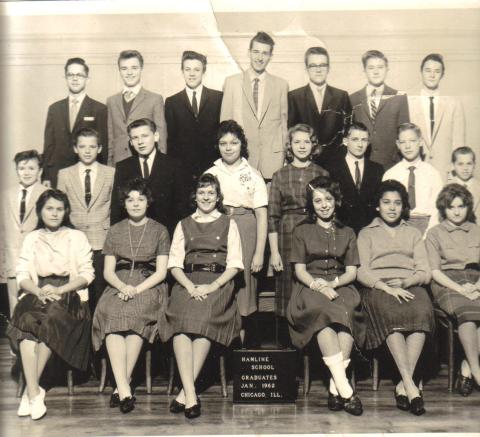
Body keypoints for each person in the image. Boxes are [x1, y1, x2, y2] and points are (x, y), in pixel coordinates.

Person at [159, 173, 243, 419]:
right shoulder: (183, 223)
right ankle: (190, 393)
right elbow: (174, 263)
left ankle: (185, 394)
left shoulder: (229, 223)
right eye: (201, 193)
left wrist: (211, 286)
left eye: (211, 193)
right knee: (182, 323)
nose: (206, 197)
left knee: (204, 321)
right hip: (187, 282)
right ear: (194, 196)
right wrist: (189, 286)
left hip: (217, 284)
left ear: (218, 198)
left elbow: (235, 264)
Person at [7, 189, 94, 420]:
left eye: (59, 209)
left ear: (66, 211)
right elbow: (22, 273)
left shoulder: (77, 237)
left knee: (51, 318)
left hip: (68, 293)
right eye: (49, 209)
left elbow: (87, 274)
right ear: (40, 211)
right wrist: (38, 291)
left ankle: (29, 391)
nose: (54, 213)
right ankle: (36, 393)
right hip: (38, 291)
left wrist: (59, 290)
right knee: (27, 321)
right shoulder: (32, 238)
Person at [92, 178, 170, 414]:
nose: (135, 204)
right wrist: (123, 286)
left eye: (141, 199)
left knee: (136, 317)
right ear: (123, 204)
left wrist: (137, 289)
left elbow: (161, 271)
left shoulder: (160, 230)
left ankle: (120, 386)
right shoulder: (115, 231)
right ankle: (125, 388)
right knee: (113, 315)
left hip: (148, 284)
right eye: (130, 199)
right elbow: (107, 271)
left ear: (148, 202)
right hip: (119, 283)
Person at [287, 176, 363, 416]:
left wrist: (333, 283)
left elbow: (352, 271)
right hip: (310, 287)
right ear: (312, 204)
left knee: (347, 312)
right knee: (323, 313)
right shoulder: (302, 231)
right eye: (317, 200)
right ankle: (345, 389)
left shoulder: (348, 232)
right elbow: (299, 270)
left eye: (328, 199)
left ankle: (334, 386)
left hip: (341, 284)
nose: (323, 204)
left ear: (336, 201)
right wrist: (319, 286)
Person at [357, 180, 434, 416]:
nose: (392, 207)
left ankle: (404, 384)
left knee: (422, 312)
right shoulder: (366, 233)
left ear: (403, 207)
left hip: (408, 284)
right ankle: (411, 387)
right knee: (391, 317)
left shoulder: (413, 233)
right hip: (379, 287)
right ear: (377, 206)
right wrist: (386, 287)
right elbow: (361, 270)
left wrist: (406, 282)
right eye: (386, 202)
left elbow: (425, 272)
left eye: (397, 203)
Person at [205, 120, 267, 345]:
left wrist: (259, 253)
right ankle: (219, 342)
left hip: (246, 227)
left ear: (242, 144)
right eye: (223, 143)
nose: (228, 147)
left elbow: (261, 214)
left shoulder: (252, 173)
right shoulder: (211, 172)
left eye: (234, 142)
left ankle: (239, 348)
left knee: (244, 284)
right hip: (219, 226)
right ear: (217, 146)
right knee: (219, 279)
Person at [268, 124, 329, 325]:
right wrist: (274, 252)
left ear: (313, 145)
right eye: (297, 142)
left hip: (314, 231)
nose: (302, 146)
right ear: (290, 145)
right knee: (287, 283)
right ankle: (288, 343)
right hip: (287, 234)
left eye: (306, 142)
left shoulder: (322, 174)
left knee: (311, 281)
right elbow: (273, 216)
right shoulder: (280, 175)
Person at [425, 183, 480, 396]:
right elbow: (435, 271)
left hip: (476, 280)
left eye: (461, 206)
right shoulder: (434, 233)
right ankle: (477, 371)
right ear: (443, 209)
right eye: (451, 207)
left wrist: (476, 287)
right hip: (447, 282)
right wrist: (461, 288)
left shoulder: (476, 230)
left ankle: (466, 367)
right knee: (467, 313)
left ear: (468, 207)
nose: (457, 211)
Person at [57, 128, 115, 311]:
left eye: (92, 146)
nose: (87, 151)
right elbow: (61, 210)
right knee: (77, 295)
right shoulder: (65, 174)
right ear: (75, 148)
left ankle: (99, 337)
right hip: (75, 242)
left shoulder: (111, 173)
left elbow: (114, 208)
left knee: (99, 292)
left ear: (99, 148)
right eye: (82, 146)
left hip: (102, 241)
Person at [220, 31, 288, 180]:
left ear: (270, 56)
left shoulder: (281, 85)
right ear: (249, 53)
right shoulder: (232, 82)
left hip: (272, 162)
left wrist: (283, 156)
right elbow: (224, 126)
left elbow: (284, 125)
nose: (260, 57)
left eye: (265, 53)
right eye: (256, 51)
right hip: (241, 159)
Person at [110, 118, 187, 233]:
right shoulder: (123, 167)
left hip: (167, 234)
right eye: (135, 138)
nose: (140, 141)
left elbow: (181, 207)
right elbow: (117, 208)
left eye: (145, 136)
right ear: (130, 142)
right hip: (133, 234)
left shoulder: (174, 165)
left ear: (156, 136)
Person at [43, 57, 107, 187]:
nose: (75, 78)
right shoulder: (54, 109)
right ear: (65, 78)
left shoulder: (100, 109)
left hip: (87, 172)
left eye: (79, 75)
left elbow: (103, 146)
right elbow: (49, 145)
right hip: (57, 173)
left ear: (87, 79)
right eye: (70, 75)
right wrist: (46, 175)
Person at [165, 51, 223, 192]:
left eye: (197, 70)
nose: (192, 74)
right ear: (182, 71)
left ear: (204, 71)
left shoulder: (218, 98)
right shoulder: (172, 102)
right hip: (183, 170)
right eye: (187, 69)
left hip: (212, 167)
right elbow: (171, 141)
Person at [288, 47, 352, 166]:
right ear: (306, 68)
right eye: (313, 65)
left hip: (335, 164)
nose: (318, 70)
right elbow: (291, 132)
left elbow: (348, 132)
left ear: (328, 68)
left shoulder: (341, 96)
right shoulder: (294, 97)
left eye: (322, 65)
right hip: (305, 163)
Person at [2, 150, 47, 318]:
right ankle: (16, 343)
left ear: (40, 170)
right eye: (22, 168)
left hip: (37, 261)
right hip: (12, 261)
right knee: (15, 311)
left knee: (36, 308)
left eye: (31, 168)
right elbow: (3, 232)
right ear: (16, 170)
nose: (26, 172)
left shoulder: (46, 193)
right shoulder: (5, 195)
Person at [408, 53, 465, 181]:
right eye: (428, 70)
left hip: (445, 172)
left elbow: (459, 144)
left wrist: (454, 171)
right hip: (417, 170)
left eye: (437, 71)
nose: (432, 75)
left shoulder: (454, 104)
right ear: (421, 72)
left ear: (442, 74)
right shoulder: (409, 103)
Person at [350, 50, 409, 170]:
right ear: (364, 71)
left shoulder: (399, 97)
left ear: (387, 69)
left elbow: (404, 133)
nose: (376, 72)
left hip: (391, 165)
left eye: (380, 67)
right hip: (363, 164)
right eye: (371, 68)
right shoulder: (353, 99)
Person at [107, 50, 167, 165]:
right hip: (119, 164)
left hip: (146, 163)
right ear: (119, 71)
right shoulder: (111, 101)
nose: (129, 73)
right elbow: (111, 139)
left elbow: (161, 139)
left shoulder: (155, 99)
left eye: (134, 68)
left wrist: (160, 167)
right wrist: (110, 165)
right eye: (124, 69)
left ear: (141, 68)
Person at [383, 122, 443, 235]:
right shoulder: (390, 175)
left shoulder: (433, 174)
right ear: (397, 144)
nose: (407, 146)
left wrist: (428, 235)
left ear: (420, 142)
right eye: (403, 142)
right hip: (398, 226)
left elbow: (437, 210)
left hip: (428, 226)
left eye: (412, 141)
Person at [326, 122, 384, 234]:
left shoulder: (377, 169)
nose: (360, 144)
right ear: (345, 141)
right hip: (341, 231)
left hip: (369, 232)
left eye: (364, 140)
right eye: (355, 139)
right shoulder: (332, 168)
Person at [447, 147, 480, 217]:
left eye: (469, 164)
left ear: (474, 165)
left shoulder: (478, 187)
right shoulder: (446, 189)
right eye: (460, 164)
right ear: (453, 165)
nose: (465, 168)